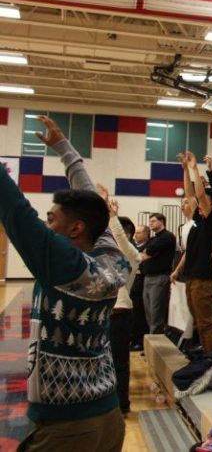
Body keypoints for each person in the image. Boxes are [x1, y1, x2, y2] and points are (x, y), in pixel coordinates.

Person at [0, 116, 129, 450]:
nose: (47, 225)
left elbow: (15, 210)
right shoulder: (112, 261)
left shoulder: (64, 265)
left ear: (75, 230)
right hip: (108, 414)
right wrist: (65, 150)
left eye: (52, 219)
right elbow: (92, 205)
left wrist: (65, 150)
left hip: (68, 426)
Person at [171, 151, 212, 352]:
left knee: (206, 322)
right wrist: (185, 170)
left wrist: (194, 168)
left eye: (206, 201)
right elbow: (191, 195)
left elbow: (199, 195)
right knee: (197, 322)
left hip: (203, 278)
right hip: (192, 276)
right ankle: (204, 354)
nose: (199, 203)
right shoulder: (198, 219)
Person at [96, 185, 141, 416]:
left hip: (120, 314)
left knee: (119, 363)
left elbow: (121, 240)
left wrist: (111, 215)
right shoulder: (105, 256)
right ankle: (105, 401)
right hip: (103, 313)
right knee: (103, 361)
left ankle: (121, 404)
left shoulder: (131, 255)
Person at [142, 211, 176, 334]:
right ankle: (151, 342)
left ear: (161, 222)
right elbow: (144, 252)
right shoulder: (153, 238)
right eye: (149, 221)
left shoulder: (167, 236)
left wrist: (147, 253)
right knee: (149, 313)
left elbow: (149, 251)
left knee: (156, 313)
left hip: (159, 278)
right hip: (148, 277)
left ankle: (155, 343)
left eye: (153, 221)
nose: (150, 223)